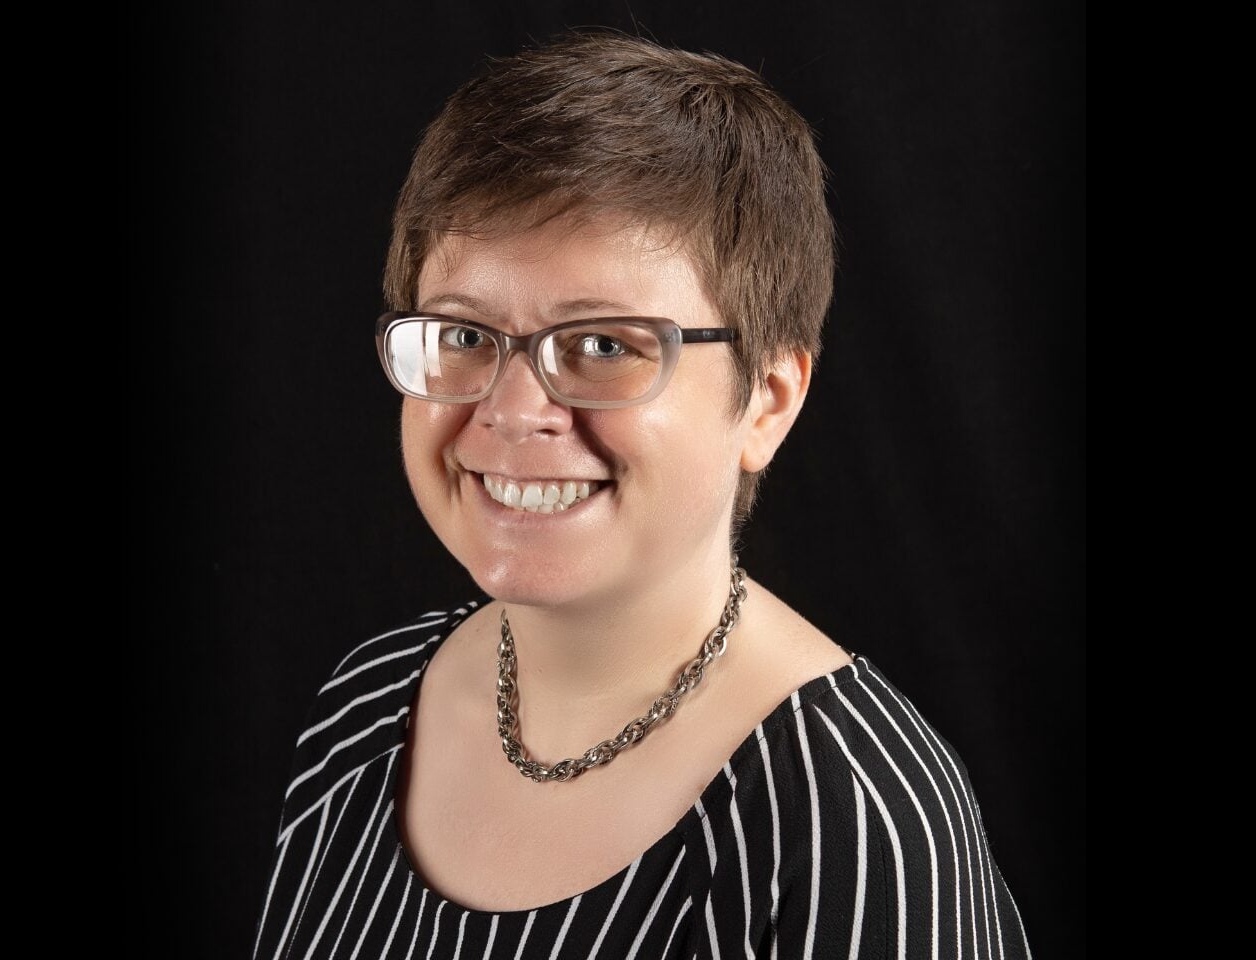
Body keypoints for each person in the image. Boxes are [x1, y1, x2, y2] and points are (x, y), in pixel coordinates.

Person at [252, 30, 1031, 959]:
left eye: (607, 346)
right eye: (462, 336)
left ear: (767, 402)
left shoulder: (848, 819)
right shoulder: (368, 706)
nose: (512, 412)